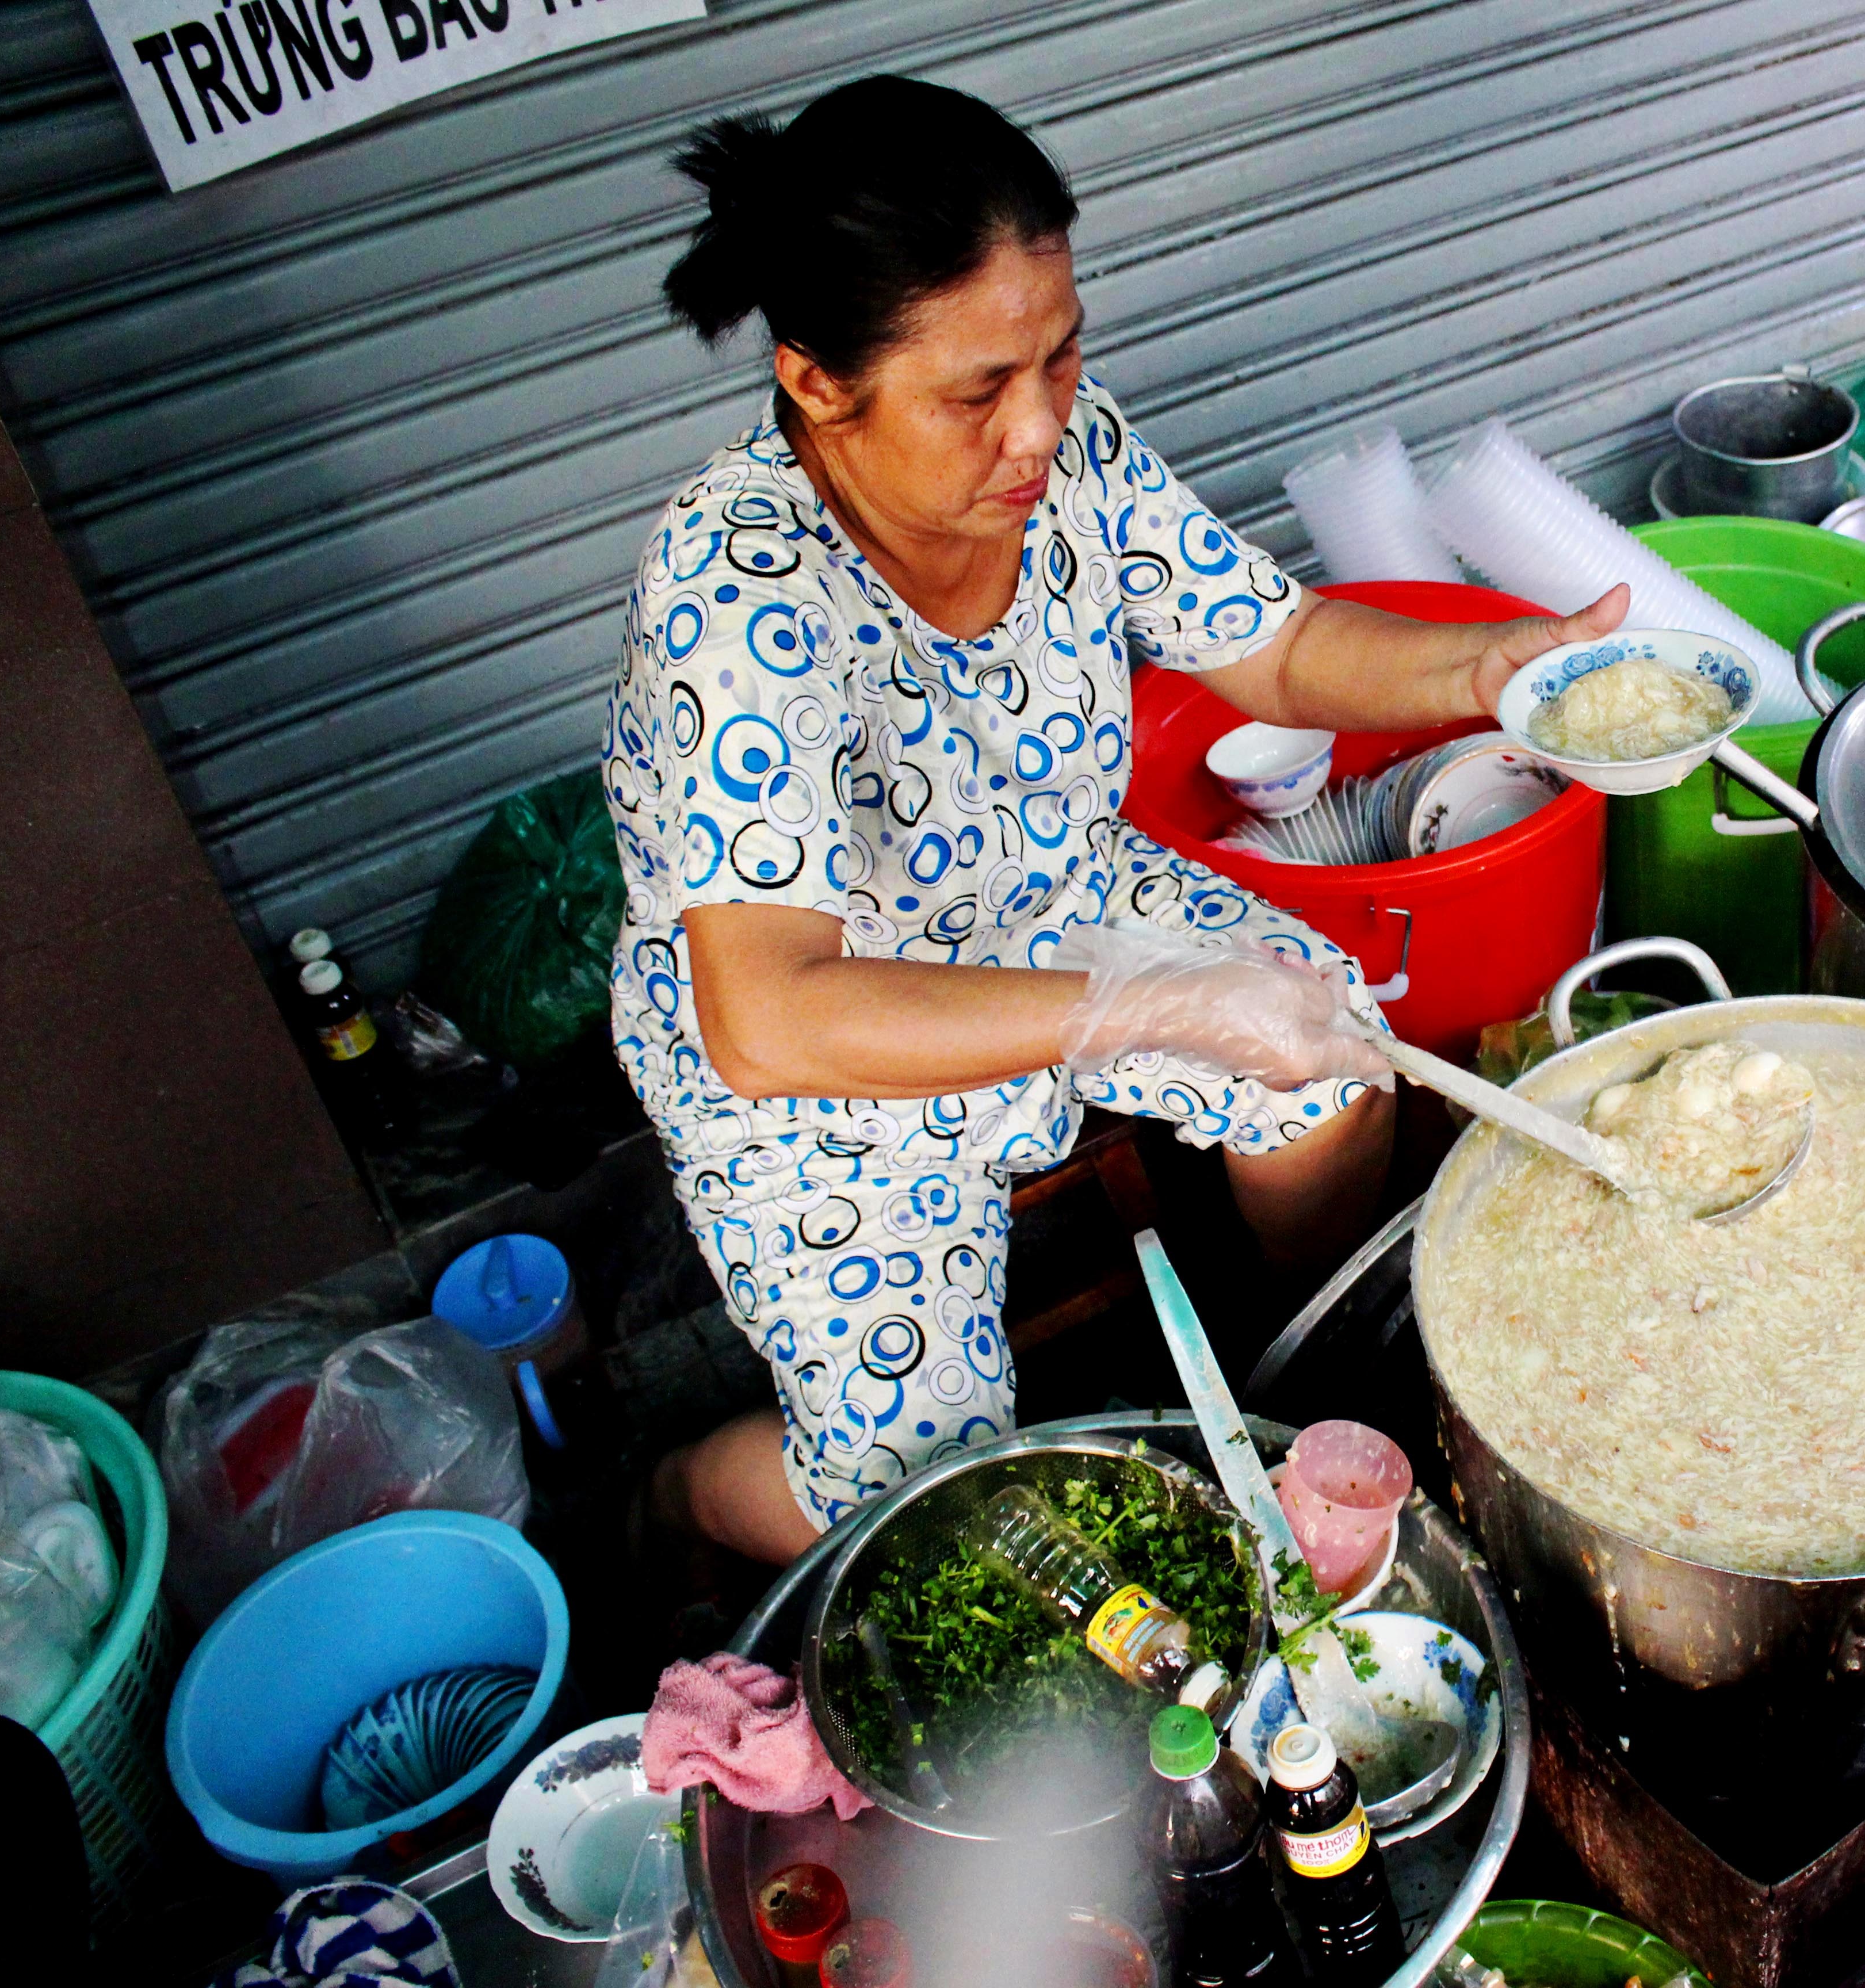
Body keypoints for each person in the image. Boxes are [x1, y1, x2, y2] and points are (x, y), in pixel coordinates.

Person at [605, 75, 1626, 1563]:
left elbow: (1267, 646)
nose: (1037, 429)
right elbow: (769, 1017)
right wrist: (1154, 1004)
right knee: (906, 1501)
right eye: (974, 394)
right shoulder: (739, 598)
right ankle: (665, 1495)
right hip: (833, 1059)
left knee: (1329, 1058)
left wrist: (1485, 671)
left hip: (1057, 898)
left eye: (1062, 355)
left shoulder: (1071, 455)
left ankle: (1314, 1387)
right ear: (818, 380)